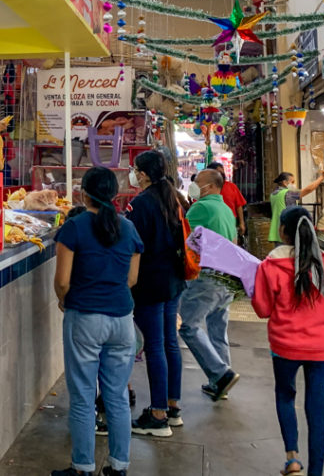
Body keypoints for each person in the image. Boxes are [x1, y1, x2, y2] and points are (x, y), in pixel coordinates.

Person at [53, 167, 143, 476]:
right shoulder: (129, 229)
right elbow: (131, 279)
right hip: (122, 321)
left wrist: (65, 300)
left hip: (85, 318)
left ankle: (83, 467)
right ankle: (119, 467)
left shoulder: (74, 228)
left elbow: (62, 281)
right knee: (116, 396)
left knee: (82, 396)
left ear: (83, 193)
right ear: (114, 195)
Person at [252, 206, 324, 476]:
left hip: (285, 346)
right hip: (321, 348)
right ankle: (316, 473)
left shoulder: (270, 266)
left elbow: (262, 309)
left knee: (285, 396)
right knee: (316, 409)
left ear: (283, 232)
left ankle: (292, 458)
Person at [127, 150, 188, 438]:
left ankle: (159, 414)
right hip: (173, 280)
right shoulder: (173, 197)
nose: (133, 173)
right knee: (168, 343)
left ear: (142, 173)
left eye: (135, 169)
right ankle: (172, 407)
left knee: (154, 347)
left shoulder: (141, 203)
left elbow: (135, 245)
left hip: (150, 282)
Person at [179, 169, 241, 402]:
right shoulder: (225, 209)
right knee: (217, 328)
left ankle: (220, 373)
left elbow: (184, 239)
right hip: (227, 278)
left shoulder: (201, 208)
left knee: (188, 326)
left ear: (212, 187)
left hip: (207, 278)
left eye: (197, 182)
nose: (194, 185)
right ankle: (220, 382)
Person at [269, 170, 324, 246]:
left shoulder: (274, 194)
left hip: (278, 233)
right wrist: (322, 177)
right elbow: (308, 190)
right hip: (288, 233)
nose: (294, 184)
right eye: (292, 182)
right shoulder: (288, 193)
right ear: (285, 183)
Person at [207, 161, 247, 246]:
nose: (222, 173)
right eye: (219, 171)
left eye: (222, 171)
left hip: (231, 225)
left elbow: (239, 205)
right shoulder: (206, 188)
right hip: (213, 226)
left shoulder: (232, 187)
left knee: (232, 249)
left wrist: (241, 223)